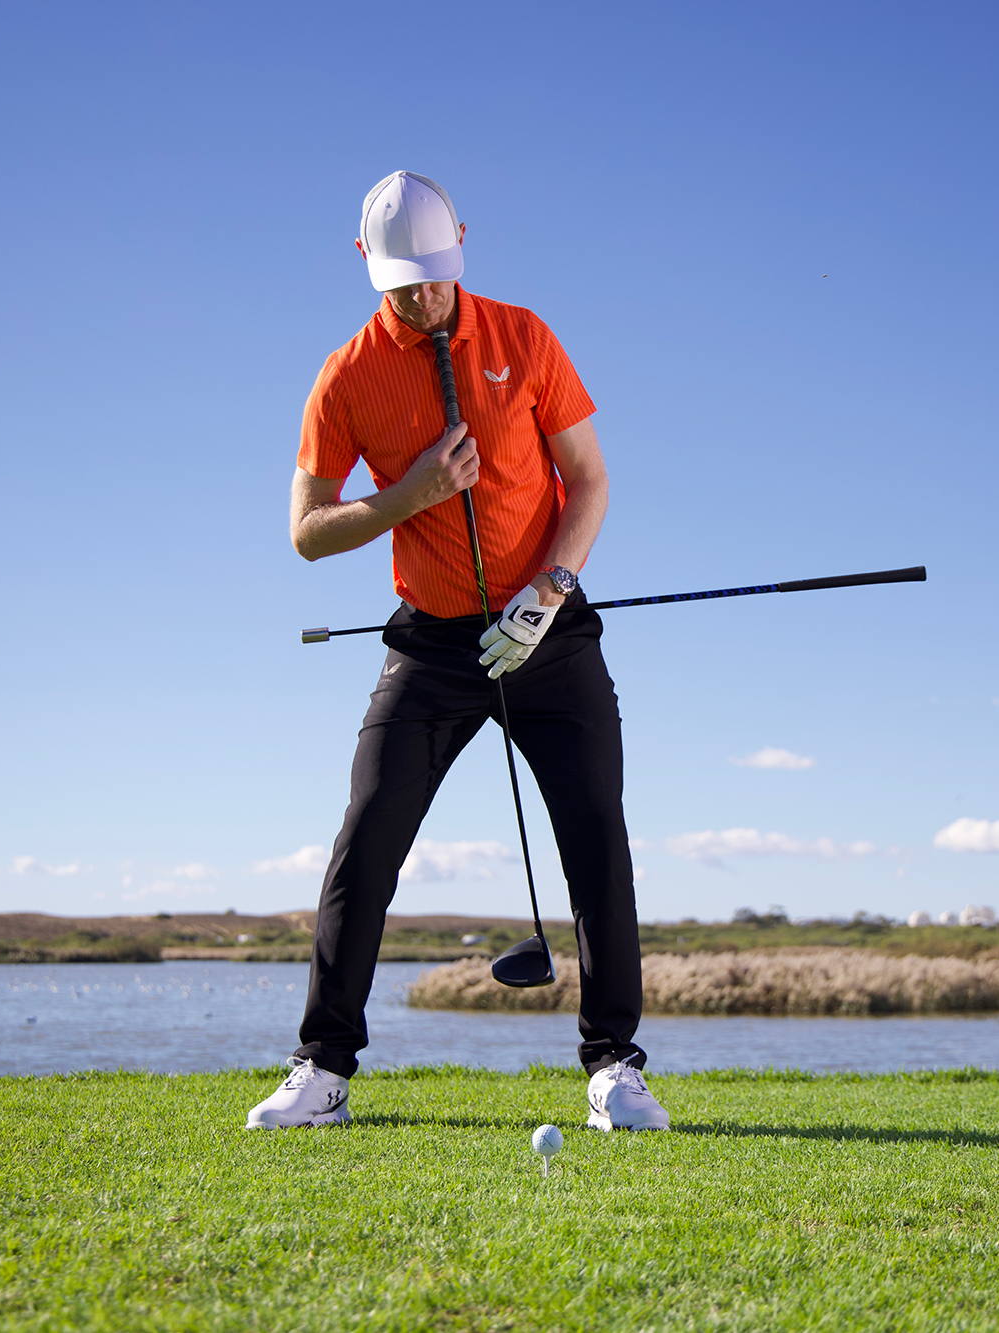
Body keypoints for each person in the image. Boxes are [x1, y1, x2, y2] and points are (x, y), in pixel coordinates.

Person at [246, 171, 668, 1132]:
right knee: (367, 841)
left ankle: (614, 1067)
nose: (422, 300)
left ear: (463, 248)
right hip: (432, 645)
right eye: (401, 284)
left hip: (547, 628)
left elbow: (592, 480)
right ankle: (323, 1069)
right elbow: (306, 532)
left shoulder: (524, 337)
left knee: (596, 838)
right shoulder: (347, 374)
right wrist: (410, 497)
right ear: (366, 266)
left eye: (435, 278)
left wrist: (548, 591)